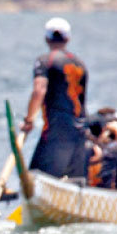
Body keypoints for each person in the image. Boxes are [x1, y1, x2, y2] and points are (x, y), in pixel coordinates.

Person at [20, 17, 88, 178]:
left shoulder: (45, 61)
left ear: (46, 38)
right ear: (68, 38)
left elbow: (39, 91)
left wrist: (29, 120)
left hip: (56, 131)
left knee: (35, 179)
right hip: (80, 133)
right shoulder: (80, 64)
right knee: (74, 184)